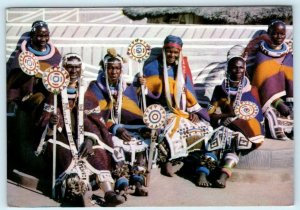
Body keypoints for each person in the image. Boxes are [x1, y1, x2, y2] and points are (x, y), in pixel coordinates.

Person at [36, 53, 125, 206]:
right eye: (70, 67)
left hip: (85, 138)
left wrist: (90, 140)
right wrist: (51, 124)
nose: (73, 70)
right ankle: (74, 191)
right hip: (61, 138)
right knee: (63, 154)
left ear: (81, 69)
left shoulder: (87, 93)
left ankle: (109, 193)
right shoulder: (54, 93)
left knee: (98, 153)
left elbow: (97, 123)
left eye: (77, 67)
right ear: (64, 68)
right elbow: (43, 122)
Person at [137, 35, 211, 177]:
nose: (172, 55)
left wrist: (193, 111)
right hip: (161, 109)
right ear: (164, 50)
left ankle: (190, 158)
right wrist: (144, 86)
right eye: (169, 51)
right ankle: (168, 160)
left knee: (202, 127)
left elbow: (188, 93)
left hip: (181, 110)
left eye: (175, 52)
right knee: (174, 126)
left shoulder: (181, 69)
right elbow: (146, 95)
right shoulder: (152, 67)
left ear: (180, 53)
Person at [85, 48, 150, 197]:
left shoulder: (125, 87)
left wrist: (144, 126)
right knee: (114, 144)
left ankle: (138, 181)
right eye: (110, 68)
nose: (114, 72)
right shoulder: (95, 87)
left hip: (127, 128)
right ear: (104, 68)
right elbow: (95, 115)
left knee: (141, 142)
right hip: (105, 130)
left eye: (117, 68)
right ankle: (122, 182)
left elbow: (133, 109)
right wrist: (115, 128)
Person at [199, 45, 265, 188]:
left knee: (235, 141)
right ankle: (203, 173)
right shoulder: (219, 89)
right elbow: (211, 113)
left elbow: (256, 114)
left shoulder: (252, 90)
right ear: (228, 69)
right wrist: (227, 115)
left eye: (241, 67)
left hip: (242, 128)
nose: (238, 71)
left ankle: (223, 175)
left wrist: (239, 120)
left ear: (245, 68)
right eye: (234, 67)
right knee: (218, 137)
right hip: (223, 125)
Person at [7, 20, 62, 177]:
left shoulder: (55, 55)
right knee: (22, 138)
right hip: (25, 103)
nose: (43, 39)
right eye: (39, 36)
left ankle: (42, 162)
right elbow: (14, 79)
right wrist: (29, 76)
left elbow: (57, 78)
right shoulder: (22, 55)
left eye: (46, 35)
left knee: (44, 131)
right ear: (32, 36)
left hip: (45, 102)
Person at [251, 20, 293, 140]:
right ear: (269, 33)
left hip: (289, 99)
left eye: (282, 33)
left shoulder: (290, 56)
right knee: (271, 114)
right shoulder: (261, 56)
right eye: (275, 33)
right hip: (269, 101)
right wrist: (279, 103)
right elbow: (262, 85)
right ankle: (279, 131)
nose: (279, 37)